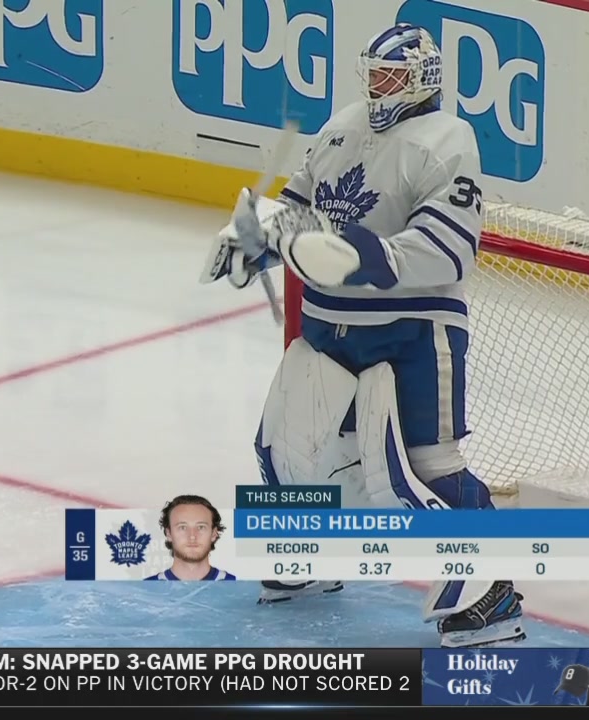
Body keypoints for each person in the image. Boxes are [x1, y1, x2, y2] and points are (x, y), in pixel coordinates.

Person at [199, 23, 524, 648]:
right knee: (287, 448)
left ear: (424, 79)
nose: (380, 87)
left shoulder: (448, 140)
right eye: (374, 74)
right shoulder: (342, 125)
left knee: (426, 468)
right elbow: (301, 207)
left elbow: (448, 249)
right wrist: (259, 237)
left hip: (412, 329)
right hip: (329, 323)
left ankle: (492, 591)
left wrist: (358, 255)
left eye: (393, 76)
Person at [144, 495, 236, 581]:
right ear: (169, 534)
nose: (192, 536)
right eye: (182, 527)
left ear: (213, 533)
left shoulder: (236, 587)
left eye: (201, 527)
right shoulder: (146, 589)